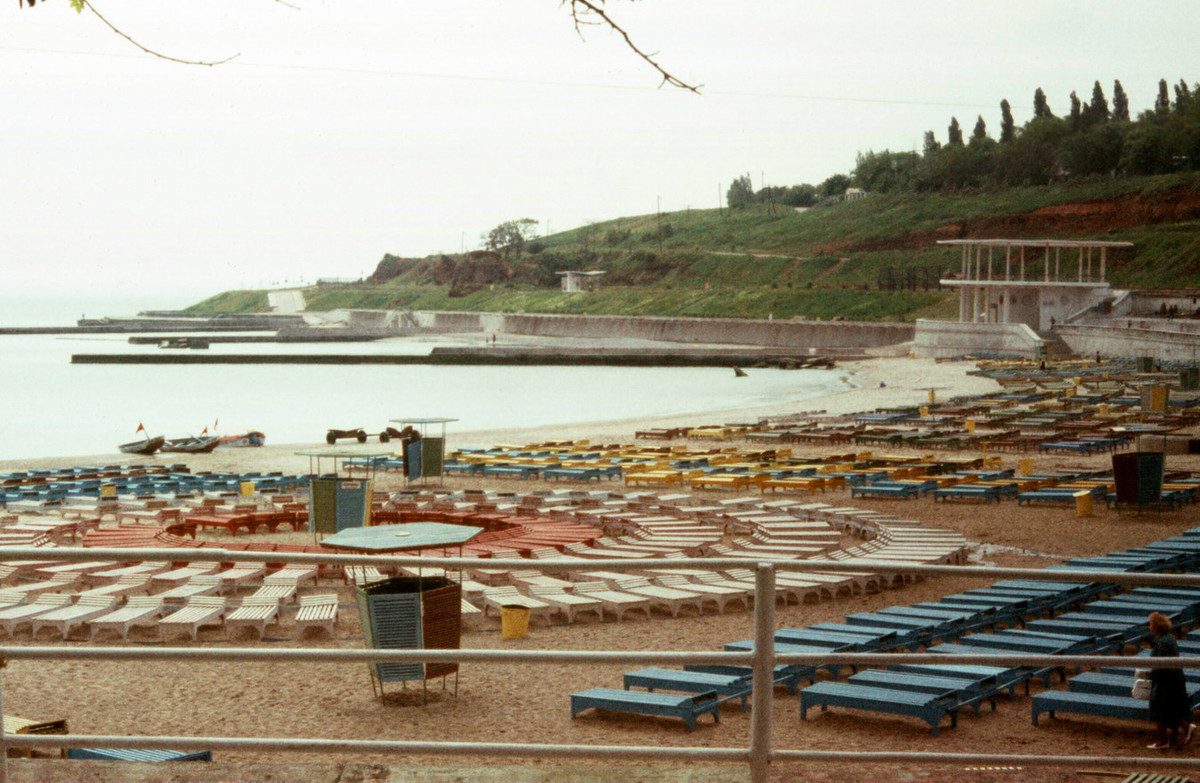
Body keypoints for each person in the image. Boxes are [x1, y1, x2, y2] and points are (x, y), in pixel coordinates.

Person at [1146, 612, 1195, 750]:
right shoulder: (1167, 639)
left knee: (1159, 709)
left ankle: (1163, 741)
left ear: (1156, 626)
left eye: (1151, 624)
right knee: (1168, 709)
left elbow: (1161, 665)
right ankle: (1186, 728)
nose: (1149, 627)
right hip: (1171, 679)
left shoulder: (1163, 642)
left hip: (1166, 681)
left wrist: (1151, 674)